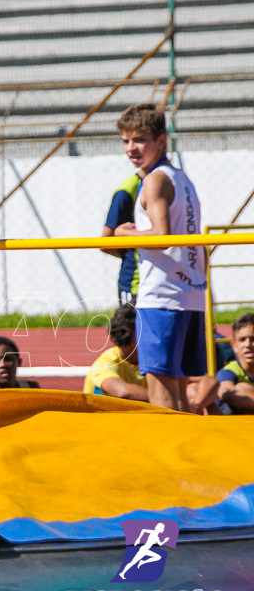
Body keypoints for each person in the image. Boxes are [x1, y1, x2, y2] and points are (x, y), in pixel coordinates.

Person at [112, 103, 207, 411]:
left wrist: (124, 234)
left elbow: (162, 236)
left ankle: (173, 458)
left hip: (163, 298)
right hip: (189, 295)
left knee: (162, 398)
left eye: (139, 140)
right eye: (126, 141)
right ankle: (188, 455)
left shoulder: (154, 179)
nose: (131, 148)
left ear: (162, 141)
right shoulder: (182, 178)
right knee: (180, 391)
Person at [189, 313, 254, 415]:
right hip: (227, 417)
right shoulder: (230, 371)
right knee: (242, 389)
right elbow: (226, 393)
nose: (248, 345)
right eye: (242, 340)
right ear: (235, 345)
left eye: (253, 339)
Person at [83, 304, 147, 400]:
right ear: (127, 333)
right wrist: (164, 398)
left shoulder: (156, 358)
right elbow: (122, 391)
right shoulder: (106, 362)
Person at [100, 173, 141, 306]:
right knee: (130, 326)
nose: (131, 150)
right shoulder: (127, 192)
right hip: (134, 284)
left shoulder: (174, 180)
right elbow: (105, 243)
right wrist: (131, 255)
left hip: (165, 282)